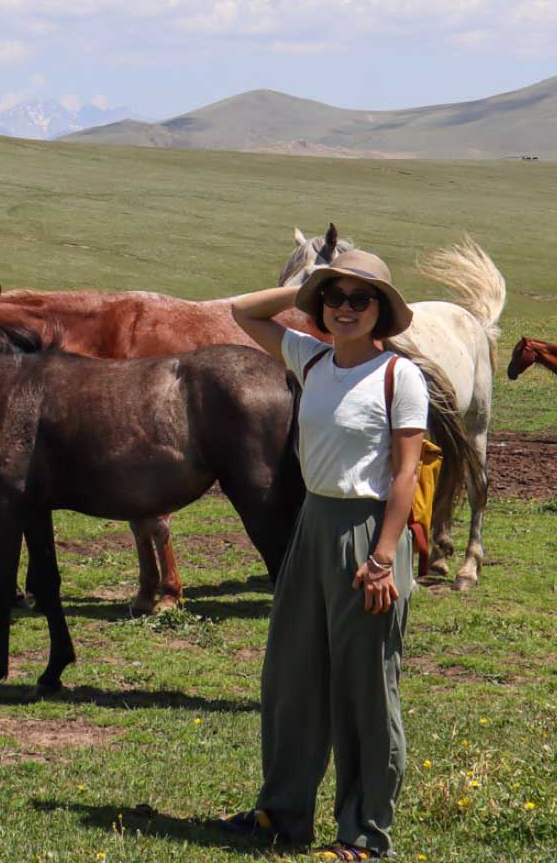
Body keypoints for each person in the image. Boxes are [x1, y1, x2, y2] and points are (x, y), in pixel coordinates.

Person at [219, 248, 428, 861]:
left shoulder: (399, 376)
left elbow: (406, 474)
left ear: (381, 311)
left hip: (370, 532)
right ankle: (282, 814)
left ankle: (364, 834)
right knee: (292, 674)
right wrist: (306, 285)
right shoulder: (310, 359)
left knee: (366, 686)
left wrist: (384, 556)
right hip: (313, 526)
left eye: (360, 300)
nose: (345, 309)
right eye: (334, 298)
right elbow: (241, 312)